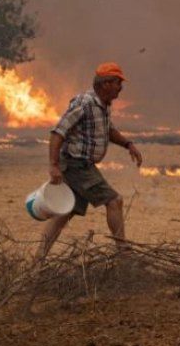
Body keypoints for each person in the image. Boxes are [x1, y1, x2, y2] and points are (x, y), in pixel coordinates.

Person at [39, 62, 143, 257]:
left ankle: (38, 257)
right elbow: (58, 132)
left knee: (65, 211)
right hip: (77, 165)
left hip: (81, 166)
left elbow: (108, 130)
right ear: (105, 84)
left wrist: (128, 144)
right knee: (114, 201)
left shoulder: (103, 106)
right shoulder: (84, 103)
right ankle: (123, 254)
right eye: (117, 83)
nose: (121, 88)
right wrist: (53, 165)